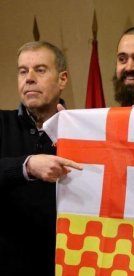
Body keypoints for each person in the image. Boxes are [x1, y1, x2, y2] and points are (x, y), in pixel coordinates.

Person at [0, 41, 82, 275]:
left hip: (67, 265)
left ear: (63, 79)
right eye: (23, 71)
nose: (29, 78)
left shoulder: (84, 132)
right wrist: (27, 166)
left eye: (40, 69)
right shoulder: (2, 123)